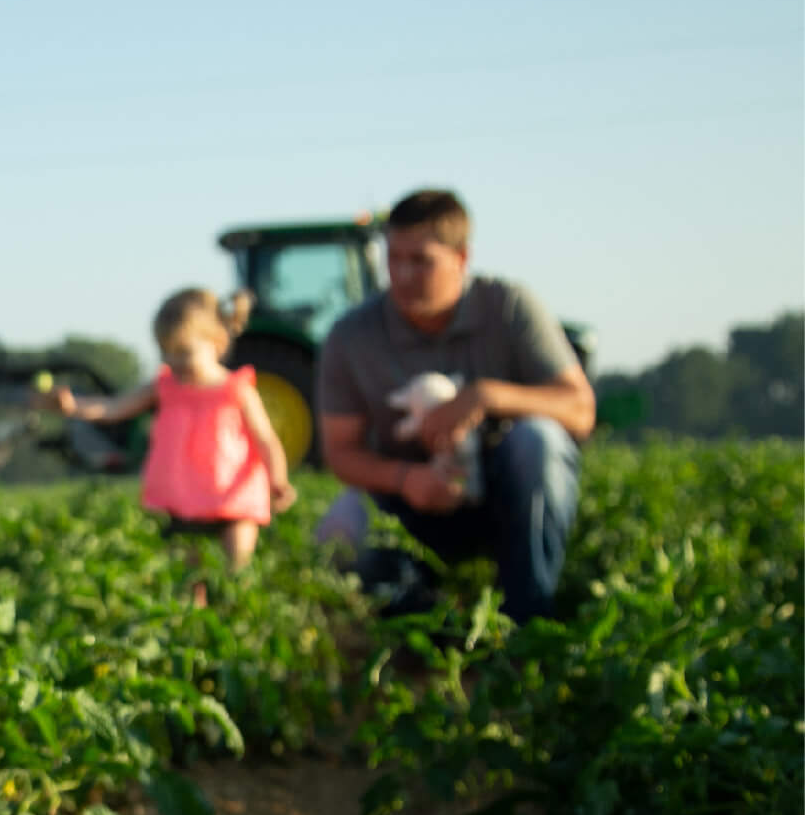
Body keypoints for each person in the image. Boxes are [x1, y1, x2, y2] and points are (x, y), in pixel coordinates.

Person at [315, 188, 594, 623]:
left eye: (421, 261)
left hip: (500, 499)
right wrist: (407, 479)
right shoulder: (352, 335)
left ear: (462, 257)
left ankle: (529, 619)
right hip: (406, 505)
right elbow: (340, 451)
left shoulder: (508, 307)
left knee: (538, 439)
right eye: (394, 259)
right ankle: (411, 626)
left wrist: (487, 396)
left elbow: (579, 410)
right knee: (343, 522)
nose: (403, 276)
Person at [49, 287, 297, 574]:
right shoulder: (165, 386)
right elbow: (114, 407)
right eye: (165, 352)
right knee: (186, 574)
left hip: (232, 495)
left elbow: (265, 438)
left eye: (182, 352)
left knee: (237, 563)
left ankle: (234, 603)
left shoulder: (236, 389)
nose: (173, 361)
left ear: (216, 342)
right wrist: (73, 406)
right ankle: (196, 610)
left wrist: (277, 478)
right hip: (181, 498)